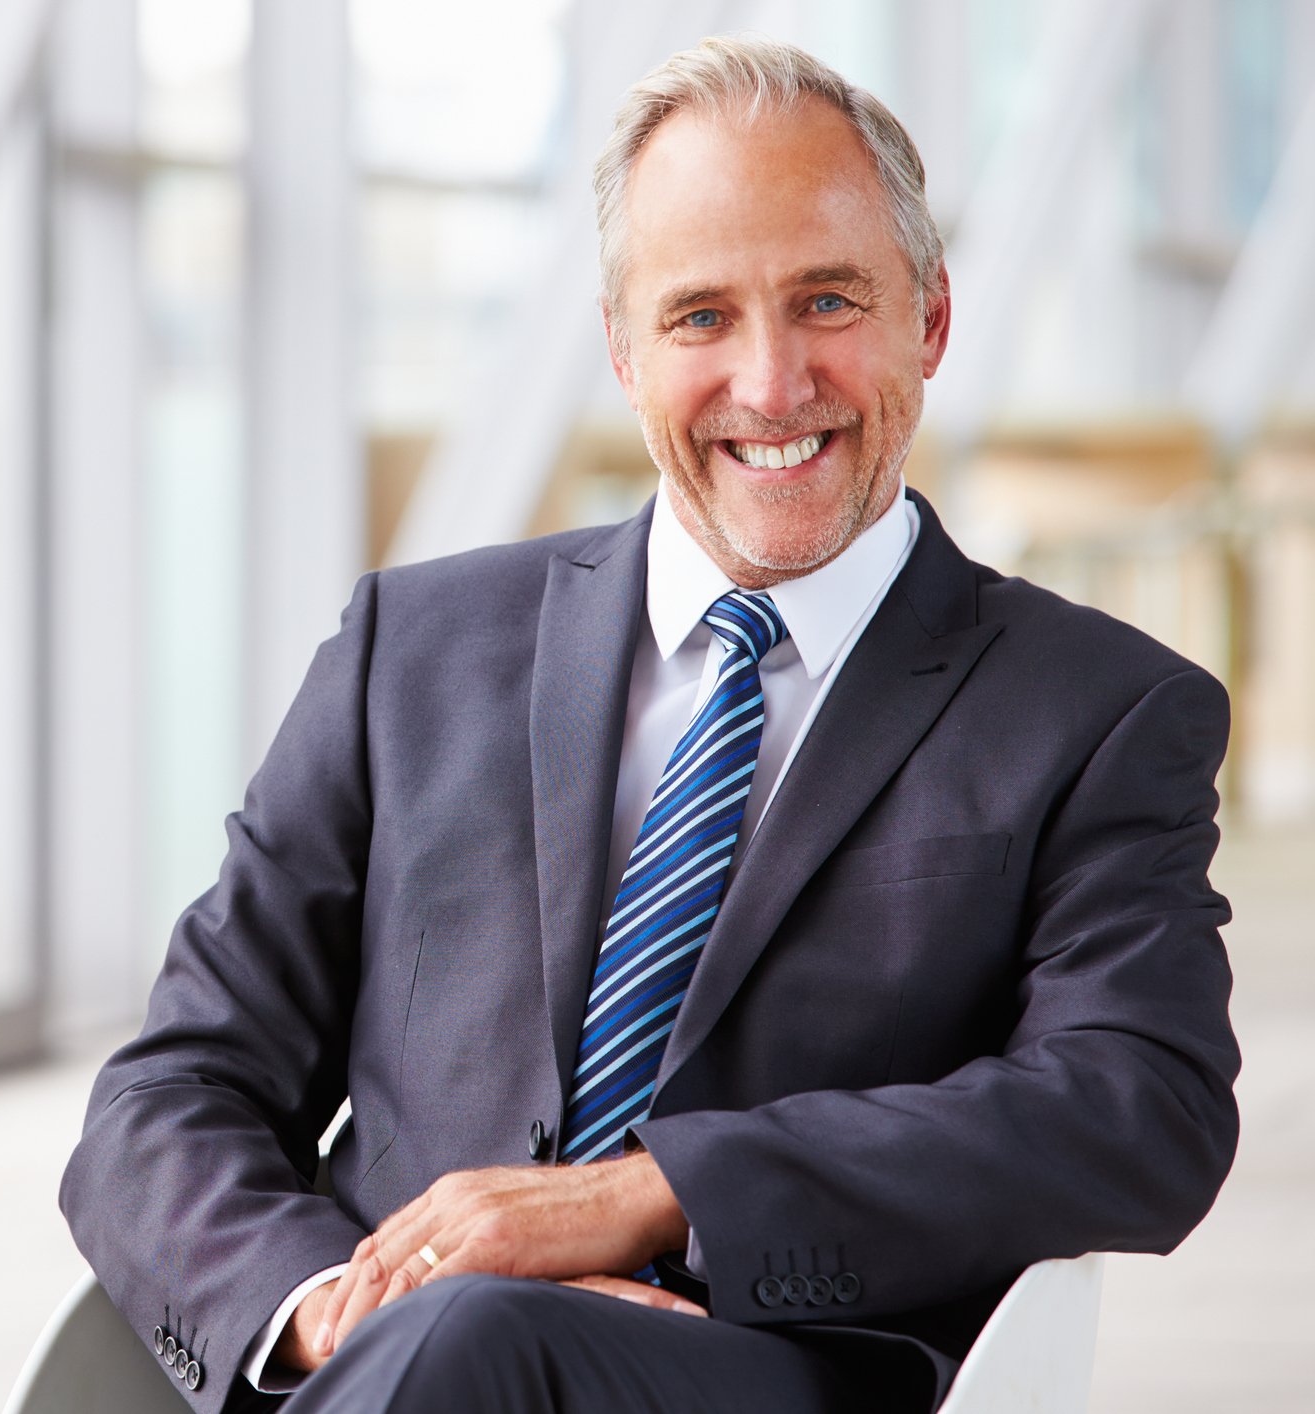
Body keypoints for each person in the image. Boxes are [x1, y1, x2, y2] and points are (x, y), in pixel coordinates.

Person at [60, 35, 1238, 1413]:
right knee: (456, 1342)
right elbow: (172, 1092)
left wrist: (650, 1193)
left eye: (826, 300)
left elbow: (1137, 1102)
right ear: (623, 353)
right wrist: (337, 1311)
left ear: (927, 321)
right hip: (383, 1371)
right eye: (699, 318)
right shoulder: (411, 650)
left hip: (770, 1369)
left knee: (480, 1340)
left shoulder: (1097, 711)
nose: (771, 383)